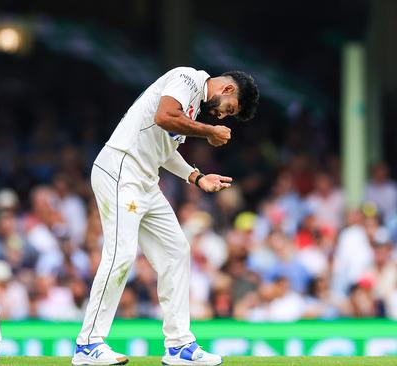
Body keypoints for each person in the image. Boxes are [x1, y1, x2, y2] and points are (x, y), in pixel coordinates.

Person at [71, 67, 259, 366]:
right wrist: (209, 132)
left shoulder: (192, 106)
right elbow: (164, 117)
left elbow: (165, 151)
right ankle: (88, 344)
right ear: (226, 90)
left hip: (144, 181)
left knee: (176, 250)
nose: (222, 117)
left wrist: (197, 177)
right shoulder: (187, 79)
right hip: (122, 171)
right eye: (230, 109)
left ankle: (179, 345)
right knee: (120, 255)